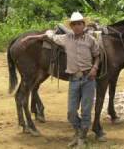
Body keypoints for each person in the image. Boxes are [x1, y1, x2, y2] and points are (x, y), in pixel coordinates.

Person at [21, 12, 100, 147]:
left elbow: (97, 55)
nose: (76, 27)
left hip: (88, 79)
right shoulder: (66, 38)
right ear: (71, 26)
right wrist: (30, 38)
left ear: (83, 25)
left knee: (86, 111)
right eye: (74, 24)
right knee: (70, 112)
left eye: (79, 24)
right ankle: (78, 131)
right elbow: (48, 35)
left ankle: (81, 137)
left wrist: (95, 68)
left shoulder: (90, 40)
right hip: (74, 80)